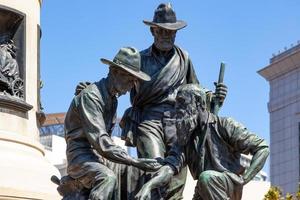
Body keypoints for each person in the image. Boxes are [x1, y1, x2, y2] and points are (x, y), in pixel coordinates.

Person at [120, 3, 227, 199]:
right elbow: (118, 82)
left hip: (179, 124)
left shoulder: (183, 58)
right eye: (162, 31)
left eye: (172, 32)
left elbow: (197, 91)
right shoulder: (140, 59)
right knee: (154, 168)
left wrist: (215, 96)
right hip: (150, 121)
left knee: (176, 180)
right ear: (153, 30)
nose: (167, 35)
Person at [135, 84, 270, 200]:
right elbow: (169, 168)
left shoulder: (225, 125)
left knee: (206, 177)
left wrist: (243, 179)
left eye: (182, 103)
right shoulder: (185, 139)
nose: (177, 110)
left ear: (199, 102)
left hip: (227, 184)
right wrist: (149, 185)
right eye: (176, 105)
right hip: (204, 188)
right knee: (205, 180)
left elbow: (262, 148)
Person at [64, 47, 160, 200]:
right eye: (129, 80)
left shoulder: (112, 100)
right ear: (115, 72)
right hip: (80, 156)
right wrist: (134, 160)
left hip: (99, 157)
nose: (131, 88)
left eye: (134, 82)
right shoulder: (91, 96)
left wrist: (135, 164)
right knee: (107, 178)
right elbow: (101, 141)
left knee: (135, 173)